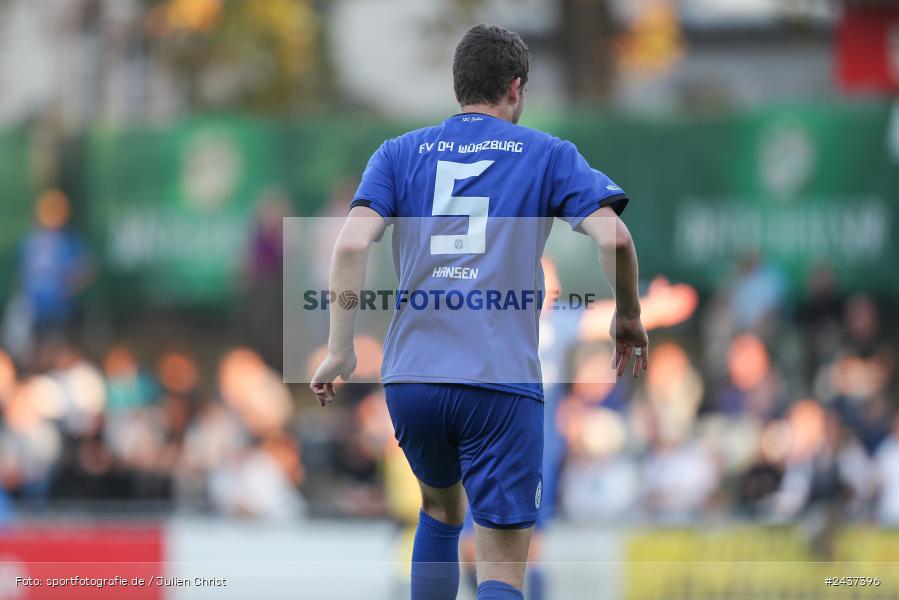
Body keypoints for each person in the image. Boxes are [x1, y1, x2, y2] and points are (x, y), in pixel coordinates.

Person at [311, 24, 648, 600]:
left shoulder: (397, 152)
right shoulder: (547, 154)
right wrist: (628, 317)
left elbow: (349, 244)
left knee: (440, 510)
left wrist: (340, 348)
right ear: (515, 89)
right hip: (498, 377)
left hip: (412, 376)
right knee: (502, 556)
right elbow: (615, 240)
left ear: (457, 86)